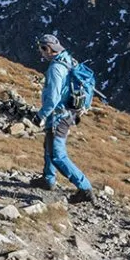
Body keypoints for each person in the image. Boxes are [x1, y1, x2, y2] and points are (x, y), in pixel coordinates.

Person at [35, 33, 95, 203]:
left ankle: (84, 188)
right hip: (69, 112)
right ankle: (48, 179)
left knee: (57, 154)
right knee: (49, 143)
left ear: (48, 49)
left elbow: (53, 99)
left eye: (42, 49)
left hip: (59, 115)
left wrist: (40, 115)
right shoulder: (68, 59)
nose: (41, 52)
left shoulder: (56, 68)